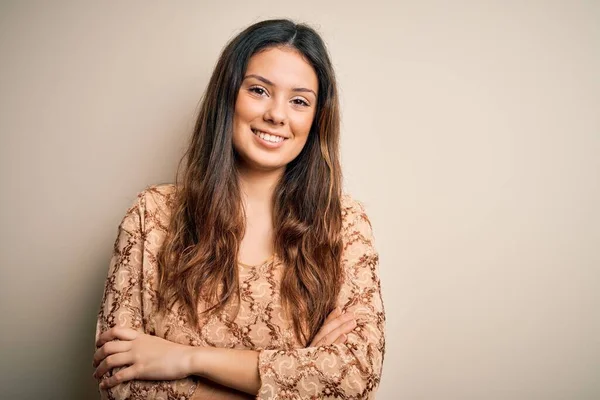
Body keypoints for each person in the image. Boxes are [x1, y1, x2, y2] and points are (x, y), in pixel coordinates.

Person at [93, 18, 385, 399]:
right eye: (260, 91)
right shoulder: (152, 216)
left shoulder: (345, 224)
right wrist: (296, 377)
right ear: (227, 96)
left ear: (316, 120)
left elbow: (354, 377)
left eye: (299, 101)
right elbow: (121, 380)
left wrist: (187, 359)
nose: (277, 115)